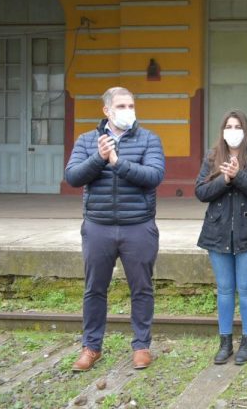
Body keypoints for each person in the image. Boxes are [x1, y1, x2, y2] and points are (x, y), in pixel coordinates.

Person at [65, 86, 165, 371]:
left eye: (131, 106)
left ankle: (141, 346)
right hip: (98, 227)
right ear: (106, 110)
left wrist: (118, 163)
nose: (128, 111)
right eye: (121, 106)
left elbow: (154, 175)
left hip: (139, 226)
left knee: (142, 288)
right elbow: (72, 176)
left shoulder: (149, 139)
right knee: (94, 289)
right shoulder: (87, 140)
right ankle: (91, 347)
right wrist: (99, 158)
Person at [195, 110, 247, 365]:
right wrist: (225, 180)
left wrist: (239, 176)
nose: (233, 130)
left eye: (237, 126)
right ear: (222, 130)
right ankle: (225, 342)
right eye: (228, 126)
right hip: (218, 231)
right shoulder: (212, 156)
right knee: (225, 289)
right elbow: (201, 192)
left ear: (245, 129)